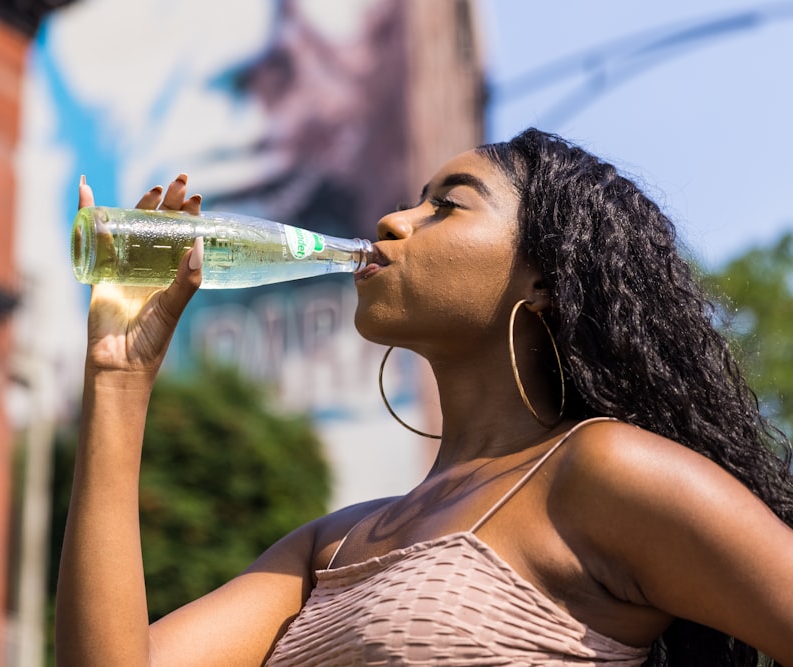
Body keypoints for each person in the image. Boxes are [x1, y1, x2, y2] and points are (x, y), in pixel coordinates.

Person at [54, 129, 793, 666]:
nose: (393, 222)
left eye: (448, 206)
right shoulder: (332, 543)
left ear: (544, 277)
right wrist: (117, 382)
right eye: (416, 201)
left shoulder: (600, 472)